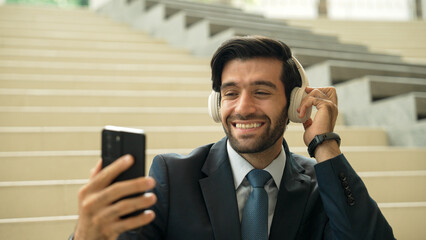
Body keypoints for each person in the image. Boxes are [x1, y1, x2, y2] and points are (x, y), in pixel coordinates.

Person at [72, 36, 395, 240]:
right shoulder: (173, 174)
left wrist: (324, 142)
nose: (243, 108)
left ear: (296, 103)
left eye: (261, 91)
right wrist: (87, 235)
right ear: (216, 104)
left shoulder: (323, 184)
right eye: (230, 93)